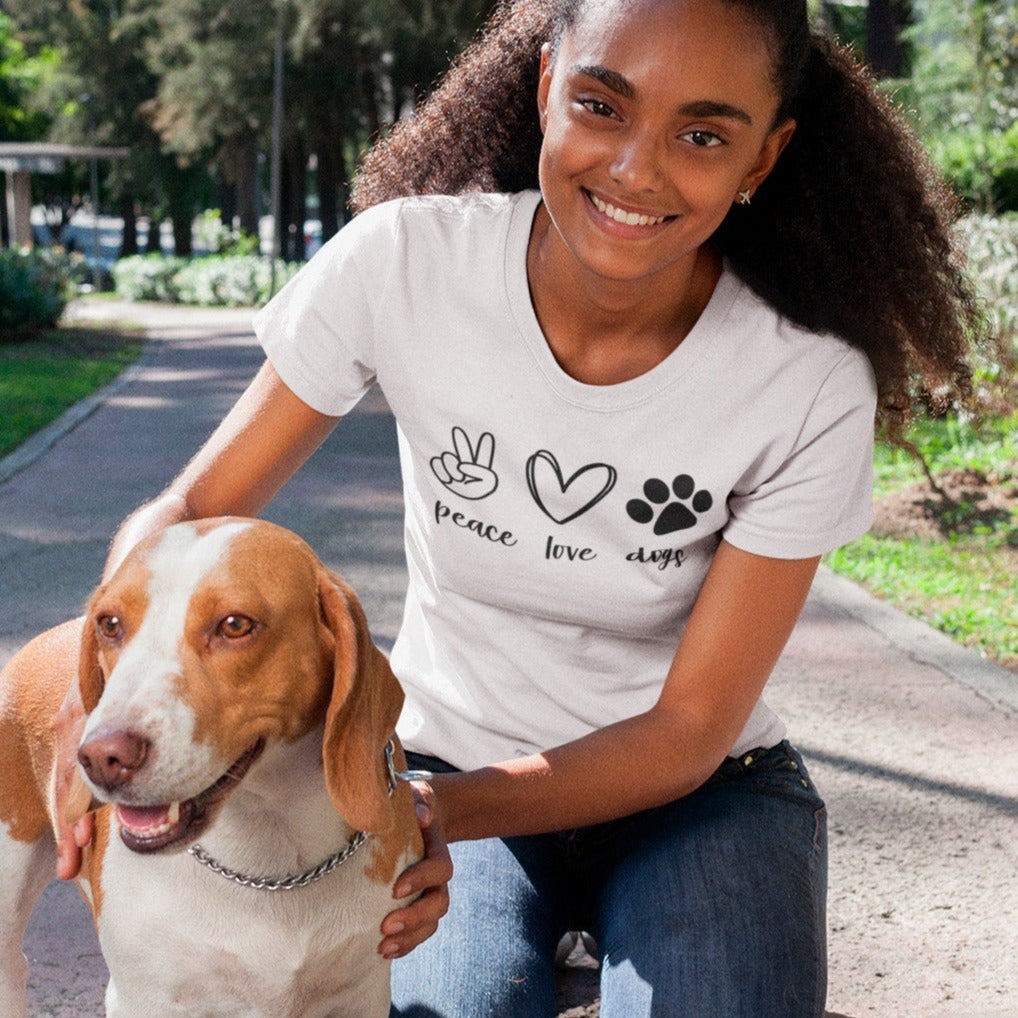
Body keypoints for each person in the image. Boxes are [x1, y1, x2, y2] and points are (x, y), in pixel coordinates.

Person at [56, 0, 987, 1014]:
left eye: (704, 134)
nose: (636, 167)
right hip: (454, 750)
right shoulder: (405, 263)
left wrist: (423, 811)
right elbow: (193, 506)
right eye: (600, 103)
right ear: (545, 86)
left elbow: (686, 729)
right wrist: (95, 701)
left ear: (763, 157)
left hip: (700, 794)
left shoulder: (803, 378)